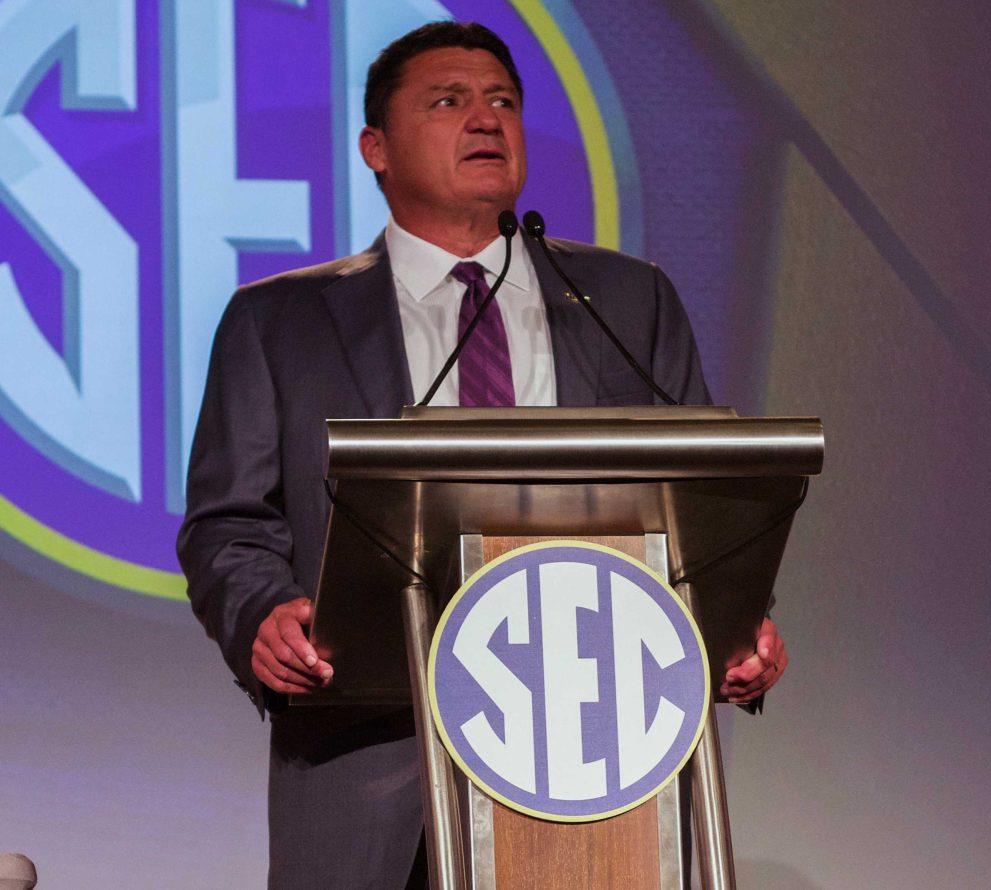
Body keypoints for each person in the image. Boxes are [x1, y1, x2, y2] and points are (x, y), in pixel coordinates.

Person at [177, 21, 788, 888]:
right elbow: (228, 524)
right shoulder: (280, 322)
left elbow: (702, 496)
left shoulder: (626, 298)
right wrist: (262, 614)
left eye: (502, 100)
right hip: (369, 748)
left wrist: (735, 624)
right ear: (375, 148)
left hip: (597, 757)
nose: (485, 119)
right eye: (449, 101)